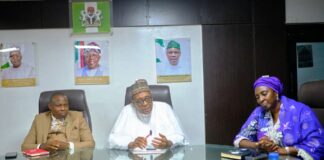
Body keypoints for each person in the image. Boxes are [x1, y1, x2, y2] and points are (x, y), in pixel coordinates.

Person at [234, 75, 324, 160]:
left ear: (276, 92)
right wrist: (258, 145)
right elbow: (240, 139)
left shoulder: (301, 111)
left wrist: (286, 150)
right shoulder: (259, 112)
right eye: (257, 97)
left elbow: (317, 144)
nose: (260, 99)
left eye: (264, 94)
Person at [107, 79, 187, 150]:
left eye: (147, 98)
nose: (145, 104)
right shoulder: (127, 111)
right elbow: (112, 140)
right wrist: (130, 144)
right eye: (139, 101)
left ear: (152, 97)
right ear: (133, 103)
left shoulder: (165, 108)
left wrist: (169, 143)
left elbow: (180, 136)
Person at [21, 92, 95, 152]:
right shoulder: (39, 119)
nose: (63, 108)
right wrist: (42, 146)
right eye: (58, 106)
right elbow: (25, 146)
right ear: (50, 106)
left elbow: (90, 144)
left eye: (65, 105)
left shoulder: (78, 117)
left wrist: (68, 145)